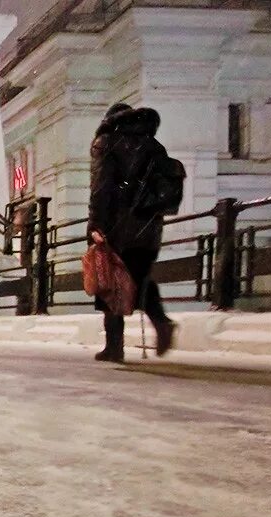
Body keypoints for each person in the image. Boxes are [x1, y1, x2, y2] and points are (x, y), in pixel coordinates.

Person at [88, 102, 177, 362]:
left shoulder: (106, 143)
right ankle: (161, 322)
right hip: (149, 227)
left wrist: (95, 225)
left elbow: (101, 190)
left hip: (117, 226)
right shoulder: (154, 146)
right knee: (139, 279)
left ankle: (114, 346)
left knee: (111, 281)